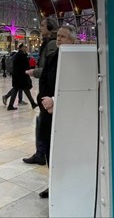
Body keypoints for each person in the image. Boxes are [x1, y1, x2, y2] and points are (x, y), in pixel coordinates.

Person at [36, 25, 77, 199]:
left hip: (67, 114)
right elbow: (43, 81)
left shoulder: (77, 59)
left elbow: (75, 87)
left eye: (63, 37)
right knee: (49, 148)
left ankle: (68, 183)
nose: (59, 39)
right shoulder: (53, 57)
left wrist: (56, 101)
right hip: (48, 110)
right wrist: (45, 101)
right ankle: (53, 183)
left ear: (72, 40)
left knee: (65, 149)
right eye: (58, 36)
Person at [22, 17, 59, 166]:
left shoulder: (51, 44)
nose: (40, 27)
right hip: (46, 89)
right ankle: (41, 153)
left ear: (50, 27)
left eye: (43, 25)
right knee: (41, 123)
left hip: (49, 90)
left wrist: (34, 72)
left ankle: (41, 154)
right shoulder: (47, 43)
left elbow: (51, 68)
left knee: (43, 123)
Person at [5, 43, 37, 110]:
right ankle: (32, 103)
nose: (26, 48)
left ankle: (32, 103)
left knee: (22, 89)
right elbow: (24, 65)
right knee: (21, 89)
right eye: (25, 47)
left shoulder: (19, 55)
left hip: (18, 76)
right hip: (21, 76)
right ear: (21, 48)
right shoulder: (21, 55)